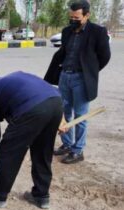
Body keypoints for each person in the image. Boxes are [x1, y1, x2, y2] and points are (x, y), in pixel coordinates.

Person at [0, 69, 63, 209]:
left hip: (31, 109)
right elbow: (51, 92)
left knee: (9, 151)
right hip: (56, 103)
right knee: (42, 151)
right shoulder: (15, 78)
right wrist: (61, 119)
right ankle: (41, 196)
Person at [45, 0, 111, 164]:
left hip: (81, 79)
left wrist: (90, 72)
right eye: (71, 17)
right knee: (63, 113)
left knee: (80, 116)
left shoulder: (98, 32)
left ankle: (78, 150)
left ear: (87, 15)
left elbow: (104, 56)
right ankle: (67, 144)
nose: (73, 20)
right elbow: (63, 52)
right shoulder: (67, 31)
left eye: (76, 17)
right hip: (64, 77)